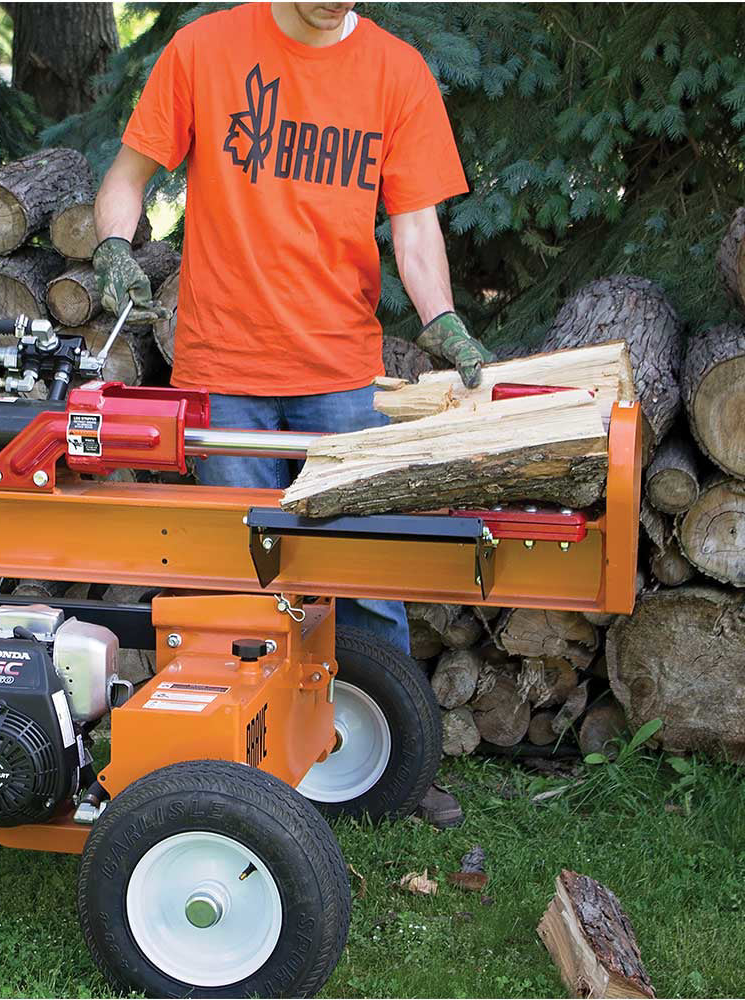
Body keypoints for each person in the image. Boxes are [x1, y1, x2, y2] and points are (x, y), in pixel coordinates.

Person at [93, 2, 487, 828]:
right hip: (224, 367)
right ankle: (236, 773)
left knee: (364, 577)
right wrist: (114, 246)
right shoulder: (203, 50)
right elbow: (129, 177)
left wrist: (442, 318)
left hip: (340, 370)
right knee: (241, 577)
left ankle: (390, 765)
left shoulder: (397, 72)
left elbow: (415, 227)